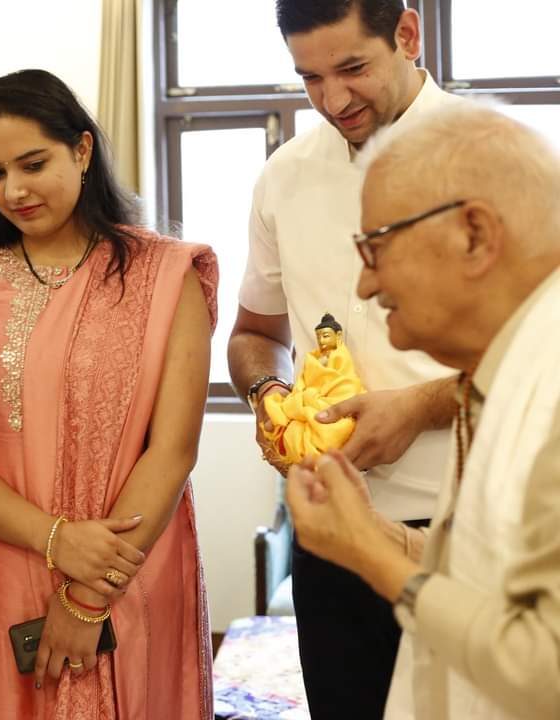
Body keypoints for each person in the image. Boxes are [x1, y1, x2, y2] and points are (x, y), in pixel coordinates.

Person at [0, 68, 219, 719]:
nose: (14, 190)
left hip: (126, 562)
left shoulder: (167, 275)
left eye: (33, 163)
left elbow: (172, 451)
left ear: (82, 150)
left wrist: (89, 592)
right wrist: (55, 538)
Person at [287, 103, 560, 720]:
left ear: (474, 234)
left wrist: (373, 559)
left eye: (376, 246)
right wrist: (374, 533)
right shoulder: (502, 374)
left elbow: (547, 667)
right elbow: (493, 582)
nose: (363, 286)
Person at [226, 3, 461, 716]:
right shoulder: (284, 178)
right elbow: (252, 332)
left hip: (462, 526)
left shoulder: (496, 160)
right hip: (328, 528)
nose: (332, 100)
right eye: (310, 78)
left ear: (407, 34)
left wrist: (418, 406)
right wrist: (268, 392)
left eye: (352, 68)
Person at [263, 314, 364, 465]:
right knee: (293, 431)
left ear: (338, 336)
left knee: (339, 422)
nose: (322, 341)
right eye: (319, 337)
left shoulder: (340, 358)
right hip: (310, 403)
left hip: (336, 398)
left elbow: (345, 383)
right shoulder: (313, 359)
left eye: (326, 336)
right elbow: (304, 382)